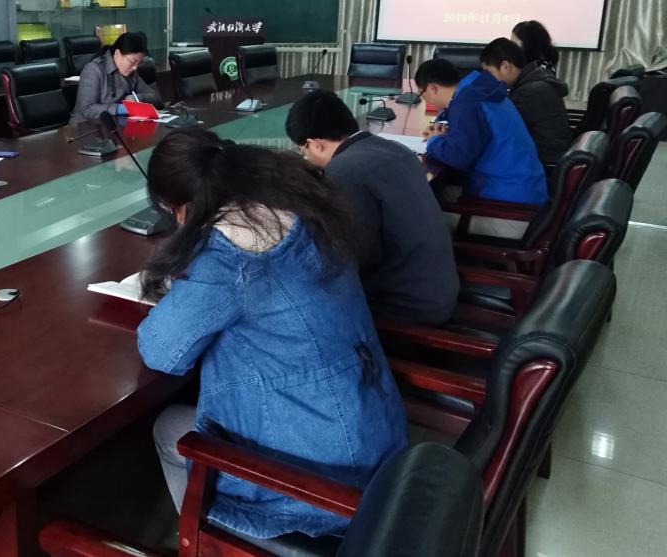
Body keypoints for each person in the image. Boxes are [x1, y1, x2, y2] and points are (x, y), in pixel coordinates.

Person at [137, 128, 407, 547]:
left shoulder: (233, 251)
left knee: (170, 427)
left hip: (320, 482)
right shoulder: (302, 208)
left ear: (184, 207)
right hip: (374, 440)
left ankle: (208, 546)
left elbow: (161, 352)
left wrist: (185, 281)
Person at [285, 90, 458, 325]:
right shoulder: (394, 149)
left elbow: (354, 258)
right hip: (437, 287)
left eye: (302, 151)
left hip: (408, 306)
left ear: (315, 144)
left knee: (296, 305)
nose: (305, 158)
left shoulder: (343, 172)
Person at [415, 58, 547, 206]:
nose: (425, 100)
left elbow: (459, 158)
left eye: (422, 93)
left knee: (425, 204)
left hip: (508, 199)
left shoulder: (467, 104)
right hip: (528, 187)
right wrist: (449, 135)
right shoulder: (476, 90)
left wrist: (434, 141)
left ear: (432, 88)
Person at [480, 37, 571, 165]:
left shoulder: (531, 92)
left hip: (542, 162)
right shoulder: (532, 81)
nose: (487, 79)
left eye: (489, 72)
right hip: (540, 156)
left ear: (506, 66)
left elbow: (501, 131)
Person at [71, 32, 160, 123]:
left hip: (117, 124)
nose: (135, 68)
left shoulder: (131, 72)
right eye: (133, 62)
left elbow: (154, 97)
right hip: (86, 127)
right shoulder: (94, 69)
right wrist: (120, 108)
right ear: (117, 54)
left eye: (139, 63)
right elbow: (86, 109)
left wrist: (136, 98)